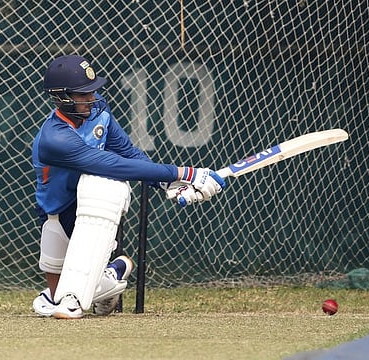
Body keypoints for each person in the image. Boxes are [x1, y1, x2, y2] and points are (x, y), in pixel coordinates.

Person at [31, 54, 226, 319]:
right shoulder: (55, 138)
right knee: (53, 299)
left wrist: (167, 182)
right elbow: (112, 164)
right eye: (83, 94)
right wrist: (186, 172)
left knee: (103, 190)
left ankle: (88, 287)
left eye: (93, 91)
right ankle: (114, 274)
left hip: (90, 206)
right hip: (57, 208)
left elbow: (129, 154)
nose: (91, 98)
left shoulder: (99, 113)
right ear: (62, 96)